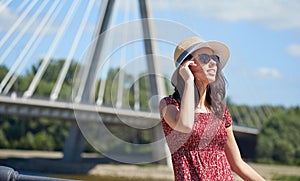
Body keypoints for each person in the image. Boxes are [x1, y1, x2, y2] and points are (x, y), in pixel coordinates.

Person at [159, 36, 265, 180]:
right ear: (187, 65)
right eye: (204, 58)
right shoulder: (169, 105)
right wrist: (189, 81)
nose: (213, 63)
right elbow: (185, 125)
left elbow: (237, 164)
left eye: (215, 58)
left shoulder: (219, 110)